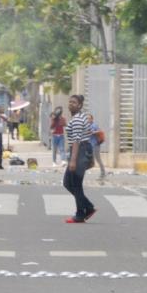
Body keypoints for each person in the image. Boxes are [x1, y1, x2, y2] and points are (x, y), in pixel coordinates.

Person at [63, 95, 96, 223]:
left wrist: (73, 160)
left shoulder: (77, 119)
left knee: (74, 184)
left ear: (80, 105)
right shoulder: (82, 117)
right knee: (71, 183)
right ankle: (86, 208)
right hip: (82, 150)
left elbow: (77, 140)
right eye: (70, 101)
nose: (71, 104)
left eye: (74, 102)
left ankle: (81, 212)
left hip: (79, 151)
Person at [87, 114, 106, 179]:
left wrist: (93, 132)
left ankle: (103, 173)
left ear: (92, 119)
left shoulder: (94, 125)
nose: (88, 120)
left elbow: (99, 131)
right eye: (87, 118)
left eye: (89, 118)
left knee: (98, 159)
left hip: (95, 145)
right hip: (90, 145)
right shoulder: (87, 126)